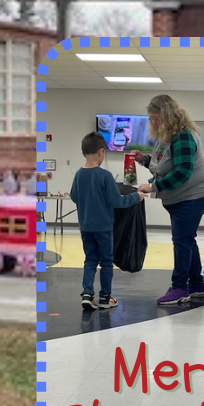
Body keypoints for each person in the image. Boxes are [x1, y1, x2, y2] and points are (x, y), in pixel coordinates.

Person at [134, 94, 204, 305]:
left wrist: (153, 186)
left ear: (168, 116)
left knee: (181, 241)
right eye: (151, 118)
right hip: (179, 198)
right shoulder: (167, 138)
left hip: (192, 196)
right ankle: (197, 285)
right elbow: (162, 167)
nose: (153, 122)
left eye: (156, 118)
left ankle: (180, 287)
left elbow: (182, 172)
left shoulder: (183, 137)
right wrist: (144, 159)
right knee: (187, 240)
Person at [70, 132, 144, 310]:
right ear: (102, 151)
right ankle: (105, 297)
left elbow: (74, 196)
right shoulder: (105, 176)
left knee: (89, 260)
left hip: (85, 226)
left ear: (83, 153)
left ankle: (87, 294)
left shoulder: (79, 175)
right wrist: (137, 196)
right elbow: (117, 201)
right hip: (104, 228)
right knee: (105, 261)